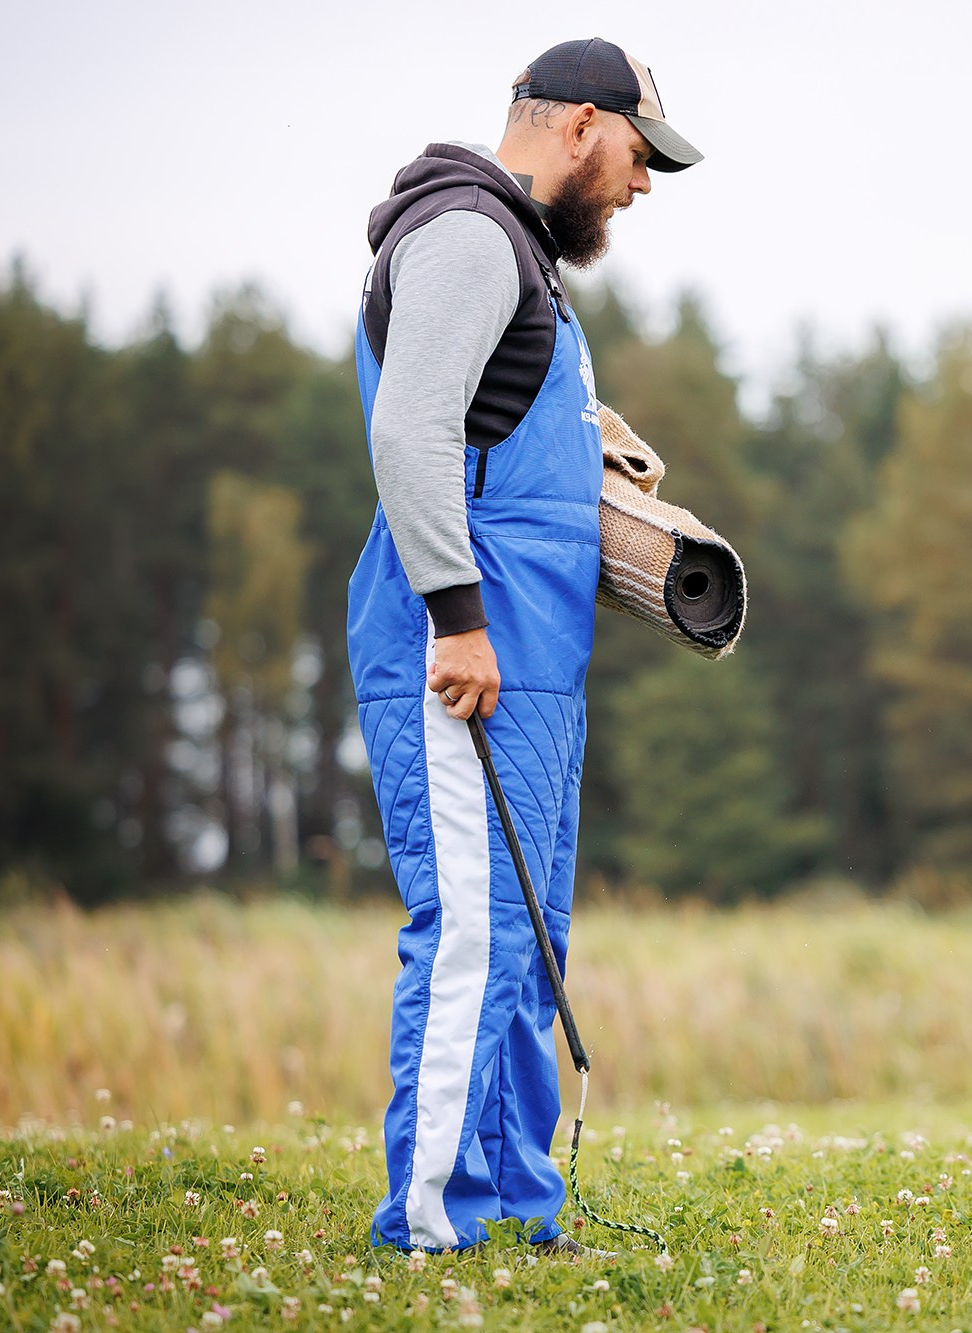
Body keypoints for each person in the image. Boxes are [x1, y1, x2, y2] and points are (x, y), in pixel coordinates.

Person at [346, 37, 701, 1256]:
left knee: (524, 939)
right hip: (465, 648)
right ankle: (436, 1220)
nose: (642, 184)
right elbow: (411, 431)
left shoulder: (526, 262)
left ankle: (512, 1207)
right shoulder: (464, 233)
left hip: (530, 662)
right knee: (467, 937)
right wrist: (454, 618)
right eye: (641, 157)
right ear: (580, 126)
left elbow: (491, 436)